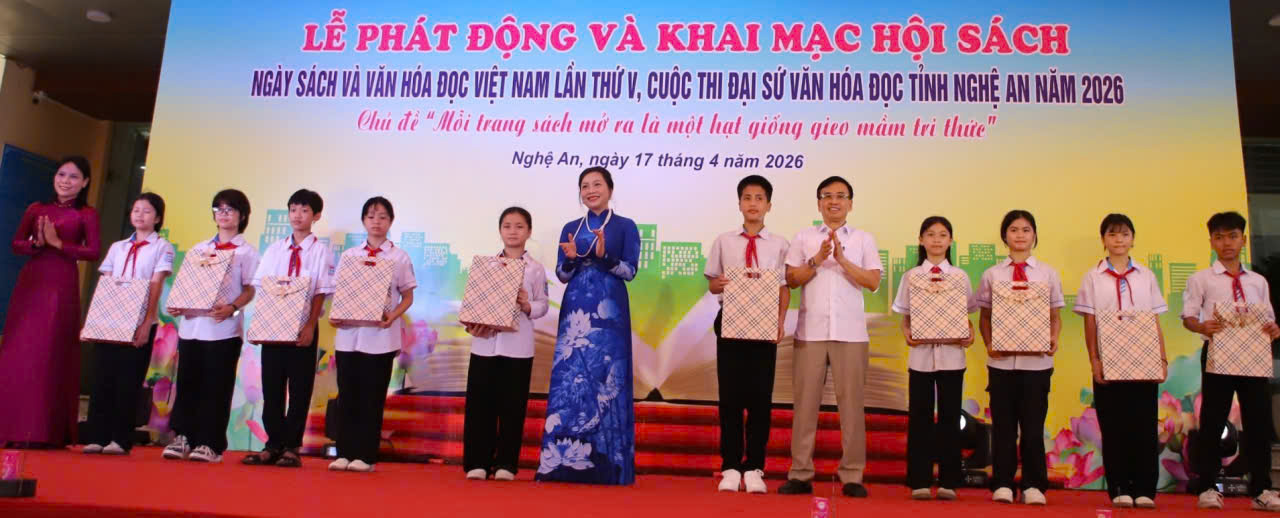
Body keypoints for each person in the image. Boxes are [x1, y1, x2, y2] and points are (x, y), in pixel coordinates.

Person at [536, 167, 640, 485]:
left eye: (597, 184)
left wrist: (604, 257)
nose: (590, 190)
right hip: (575, 307)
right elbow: (562, 274)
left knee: (606, 377)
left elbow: (630, 271)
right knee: (573, 376)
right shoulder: (571, 227)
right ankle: (562, 463)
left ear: (610, 189)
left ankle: (610, 466)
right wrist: (571, 259)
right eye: (585, 186)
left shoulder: (625, 226)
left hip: (610, 310)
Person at [780, 176, 882, 498]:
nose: (834, 201)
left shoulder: (863, 239)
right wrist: (817, 260)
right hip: (810, 332)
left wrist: (842, 260)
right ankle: (800, 473)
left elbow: (873, 282)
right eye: (827, 196)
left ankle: (852, 475)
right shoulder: (804, 237)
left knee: (851, 406)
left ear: (850, 203)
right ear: (819, 203)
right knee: (805, 404)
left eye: (840, 196)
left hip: (851, 334)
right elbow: (791, 279)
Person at [1182, 211, 1280, 511]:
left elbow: (1268, 319)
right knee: (1212, 421)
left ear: (1244, 240)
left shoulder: (1258, 282)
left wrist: (1273, 329)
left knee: (1259, 421)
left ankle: (1262, 489)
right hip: (1217, 353)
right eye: (1220, 237)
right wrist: (1201, 326)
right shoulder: (1201, 279)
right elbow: (1188, 317)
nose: (1227, 243)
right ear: (1211, 241)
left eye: (1233, 236)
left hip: (1253, 356)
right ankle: (1208, 487)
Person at [0, 156, 101, 448]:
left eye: (73, 176)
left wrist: (59, 244)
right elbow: (17, 243)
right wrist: (36, 243)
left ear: (85, 182)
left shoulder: (87, 214)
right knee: (19, 349)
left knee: (50, 350)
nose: (65, 181)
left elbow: (93, 251)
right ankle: (10, 426)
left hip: (61, 284)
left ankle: (44, 432)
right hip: (31, 282)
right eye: (61, 174)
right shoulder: (36, 209)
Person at [1074, 214, 1168, 509]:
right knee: (1113, 426)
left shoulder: (1146, 275)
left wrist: (1161, 358)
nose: (1119, 240)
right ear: (1103, 240)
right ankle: (1119, 487)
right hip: (1109, 360)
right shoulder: (1092, 276)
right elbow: (1090, 321)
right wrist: (1095, 359)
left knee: (1144, 425)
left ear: (1133, 239)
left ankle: (1145, 488)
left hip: (1143, 360)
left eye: (1124, 234)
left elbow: (1154, 319)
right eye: (1112, 234)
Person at [704, 175, 789, 494]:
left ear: (769, 205)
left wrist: (779, 321)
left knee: (760, 399)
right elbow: (713, 284)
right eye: (747, 198)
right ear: (739, 203)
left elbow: (784, 288)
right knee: (730, 398)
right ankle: (729, 466)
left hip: (764, 325)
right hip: (730, 322)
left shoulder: (780, 245)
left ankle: (754, 467)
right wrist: (718, 284)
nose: (753, 203)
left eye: (759, 198)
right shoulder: (723, 241)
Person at [977, 209, 1064, 506]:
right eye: (1014, 229)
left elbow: (1054, 316)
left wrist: (1053, 339)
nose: (1020, 235)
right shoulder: (992, 274)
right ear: (1005, 236)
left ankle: (1033, 485)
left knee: (1033, 427)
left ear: (1035, 235)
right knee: (1003, 427)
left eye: (1026, 230)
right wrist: (989, 344)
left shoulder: (1048, 274)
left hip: (1037, 364)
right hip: (1001, 363)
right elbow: (985, 317)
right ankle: (1002, 483)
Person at [165, 189, 259, 463]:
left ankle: (210, 443)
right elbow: (185, 284)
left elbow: (250, 288)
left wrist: (233, 307)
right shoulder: (199, 249)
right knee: (187, 383)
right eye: (219, 209)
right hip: (191, 327)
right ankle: (183, 437)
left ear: (242, 215)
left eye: (230, 209)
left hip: (222, 330)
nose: (223, 214)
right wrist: (177, 304)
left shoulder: (246, 252)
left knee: (216, 387)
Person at [242, 188, 334, 468]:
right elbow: (264, 288)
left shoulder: (320, 251)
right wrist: (257, 326)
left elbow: (320, 292)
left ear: (316, 216)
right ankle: (273, 444)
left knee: (299, 389)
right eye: (293, 209)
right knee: (271, 387)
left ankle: (292, 446)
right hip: (272, 327)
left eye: (305, 210)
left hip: (303, 327)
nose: (297, 215)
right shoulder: (274, 249)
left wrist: (310, 326)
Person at [328, 196, 416, 473]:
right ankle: (344, 452)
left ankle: (365, 456)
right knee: (347, 395)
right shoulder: (350, 256)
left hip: (380, 338)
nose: (376, 222)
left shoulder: (399, 257)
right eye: (371, 216)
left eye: (382, 217)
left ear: (391, 221)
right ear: (363, 220)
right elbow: (339, 292)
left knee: (372, 398)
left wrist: (393, 315)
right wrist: (336, 314)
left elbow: (408, 296)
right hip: (348, 337)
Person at [892, 216, 976, 501]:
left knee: (950, 418)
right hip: (921, 358)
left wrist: (969, 333)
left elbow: (967, 314)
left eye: (942, 235)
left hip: (952, 358)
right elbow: (905, 316)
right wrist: (907, 332)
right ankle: (919, 479)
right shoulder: (912, 276)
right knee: (920, 418)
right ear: (921, 240)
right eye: (930, 234)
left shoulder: (960, 276)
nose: (936, 240)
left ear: (951, 241)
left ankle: (949, 481)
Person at [82, 193, 174, 454]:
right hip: (110, 320)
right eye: (136, 210)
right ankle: (97, 435)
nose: (140, 215)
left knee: (128, 380)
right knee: (102, 378)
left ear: (157, 217)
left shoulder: (162, 247)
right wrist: (93, 321)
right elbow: (106, 284)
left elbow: (156, 283)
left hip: (139, 320)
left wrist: (147, 321)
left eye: (147, 211)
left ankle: (120, 439)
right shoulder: (118, 247)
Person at [462, 206, 548, 481]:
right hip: (484, 345)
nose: (513, 231)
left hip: (518, 348)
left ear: (529, 232)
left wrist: (527, 304)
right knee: (480, 406)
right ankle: (477, 462)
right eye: (507, 226)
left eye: (519, 226)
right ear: (500, 231)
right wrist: (471, 323)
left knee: (512, 407)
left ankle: (506, 464)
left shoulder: (535, 269)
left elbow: (543, 305)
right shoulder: (485, 265)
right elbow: (472, 302)